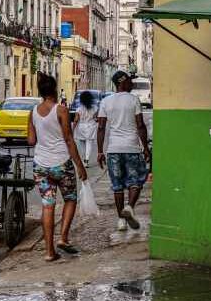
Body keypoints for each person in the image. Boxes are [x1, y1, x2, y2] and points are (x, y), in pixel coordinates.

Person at [28, 73, 88, 262]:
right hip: (61, 164)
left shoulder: (33, 111)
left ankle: (49, 252)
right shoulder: (61, 110)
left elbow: (31, 140)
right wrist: (80, 166)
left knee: (48, 205)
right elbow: (69, 140)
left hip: (41, 165)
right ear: (54, 90)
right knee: (70, 198)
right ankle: (62, 238)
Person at [98, 71, 150, 232]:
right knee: (137, 181)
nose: (131, 83)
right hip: (132, 149)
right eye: (129, 81)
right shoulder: (133, 100)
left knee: (117, 186)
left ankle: (121, 221)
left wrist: (100, 151)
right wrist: (146, 148)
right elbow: (140, 125)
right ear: (122, 82)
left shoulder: (106, 102)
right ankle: (129, 207)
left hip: (114, 150)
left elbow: (101, 127)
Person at [73, 91, 98, 167]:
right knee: (89, 143)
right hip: (91, 126)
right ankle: (86, 160)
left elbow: (76, 120)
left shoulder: (79, 109)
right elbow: (95, 118)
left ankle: (84, 158)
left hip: (81, 127)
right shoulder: (95, 108)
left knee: (82, 145)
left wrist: (72, 129)